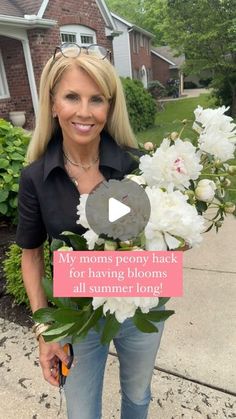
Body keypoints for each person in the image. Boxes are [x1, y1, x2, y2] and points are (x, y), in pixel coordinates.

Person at [16, 43, 164, 419]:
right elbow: (31, 255)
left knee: (137, 395)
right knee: (81, 412)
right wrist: (45, 330)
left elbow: (162, 238)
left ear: (110, 107)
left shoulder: (137, 166)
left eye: (96, 99)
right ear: (52, 104)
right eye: (71, 97)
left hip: (138, 309)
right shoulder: (36, 178)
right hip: (77, 315)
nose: (84, 112)